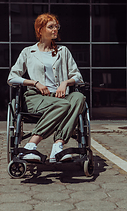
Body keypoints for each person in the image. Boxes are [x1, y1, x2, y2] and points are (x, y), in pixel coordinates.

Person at [7, 13, 85, 163]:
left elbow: (78, 77)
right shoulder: (28, 52)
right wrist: (34, 83)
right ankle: (31, 145)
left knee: (79, 98)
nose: (55, 29)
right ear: (40, 30)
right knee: (64, 105)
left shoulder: (63, 51)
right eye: (51, 27)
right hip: (37, 97)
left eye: (57, 26)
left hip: (60, 97)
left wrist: (65, 83)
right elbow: (12, 77)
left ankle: (57, 147)